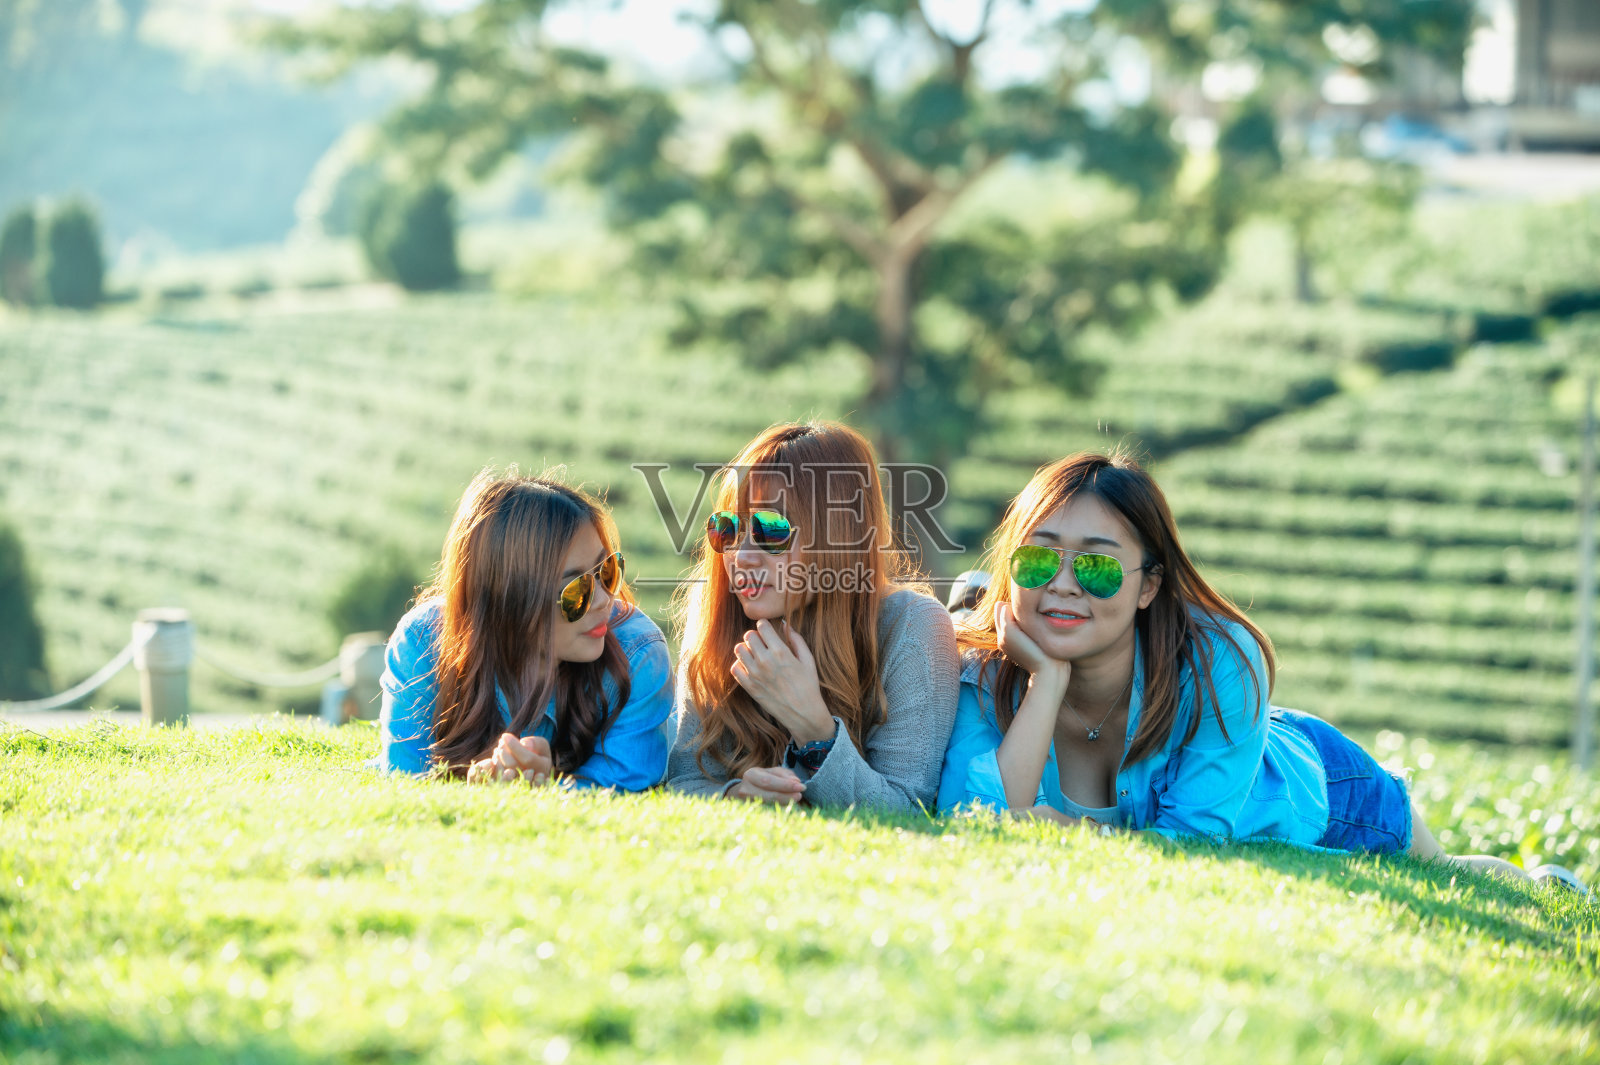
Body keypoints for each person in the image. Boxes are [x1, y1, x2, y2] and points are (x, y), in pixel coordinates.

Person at [939, 451, 1589, 892]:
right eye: (1037, 561)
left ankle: (1537, 884)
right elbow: (970, 817)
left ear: (1148, 586)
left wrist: (1057, 827)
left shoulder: (1220, 660)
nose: (1062, 586)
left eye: (1098, 566)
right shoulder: (981, 665)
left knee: (1444, 870)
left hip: (1323, 790)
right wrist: (1045, 684)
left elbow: (1192, 850)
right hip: (1252, 753)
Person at [666, 421, 960, 811]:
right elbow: (683, 780)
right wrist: (737, 795)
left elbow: (907, 810)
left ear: (838, 534)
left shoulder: (913, 626)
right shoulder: (716, 611)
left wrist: (813, 727)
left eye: (771, 529)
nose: (740, 555)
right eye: (728, 529)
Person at [380, 469, 674, 789]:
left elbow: (625, 789)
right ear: (511, 599)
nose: (606, 599)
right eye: (577, 590)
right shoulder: (423, 641)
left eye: (608, 570)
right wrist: (473, 789)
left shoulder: (638, 652)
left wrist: (548, 789)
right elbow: (404, 779)